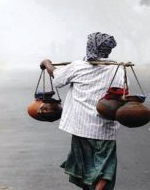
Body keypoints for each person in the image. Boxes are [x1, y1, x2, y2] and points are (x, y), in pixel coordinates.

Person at [40, 32, 124, 190]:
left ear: (90, 47)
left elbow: (57, 78)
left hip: (81, 127)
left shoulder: (78, 67)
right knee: (105, 167)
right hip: (104, 128)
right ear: (108, 50)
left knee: (85, 166)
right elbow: (123, 94)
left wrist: (46, 63)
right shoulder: (117, 69)